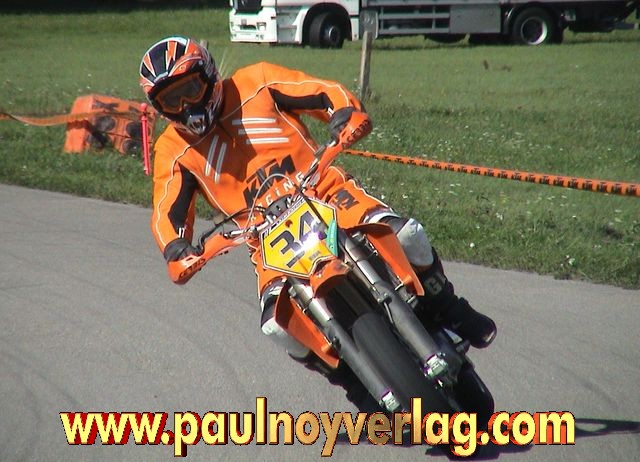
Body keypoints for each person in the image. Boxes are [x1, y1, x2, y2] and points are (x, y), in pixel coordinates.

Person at [139, 36, 496, 408]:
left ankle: (448, 306)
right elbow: (166, 208)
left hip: (322, 190)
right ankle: (354, 384)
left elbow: (320, 91)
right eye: (171, 100)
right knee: (277, 326)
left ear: (209, 76)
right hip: (264, 236)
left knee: (406, 235)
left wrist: (344, 114)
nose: (185, 106)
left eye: (190, 90)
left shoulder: (255, 81)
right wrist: (175, 247)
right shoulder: (172, 149)